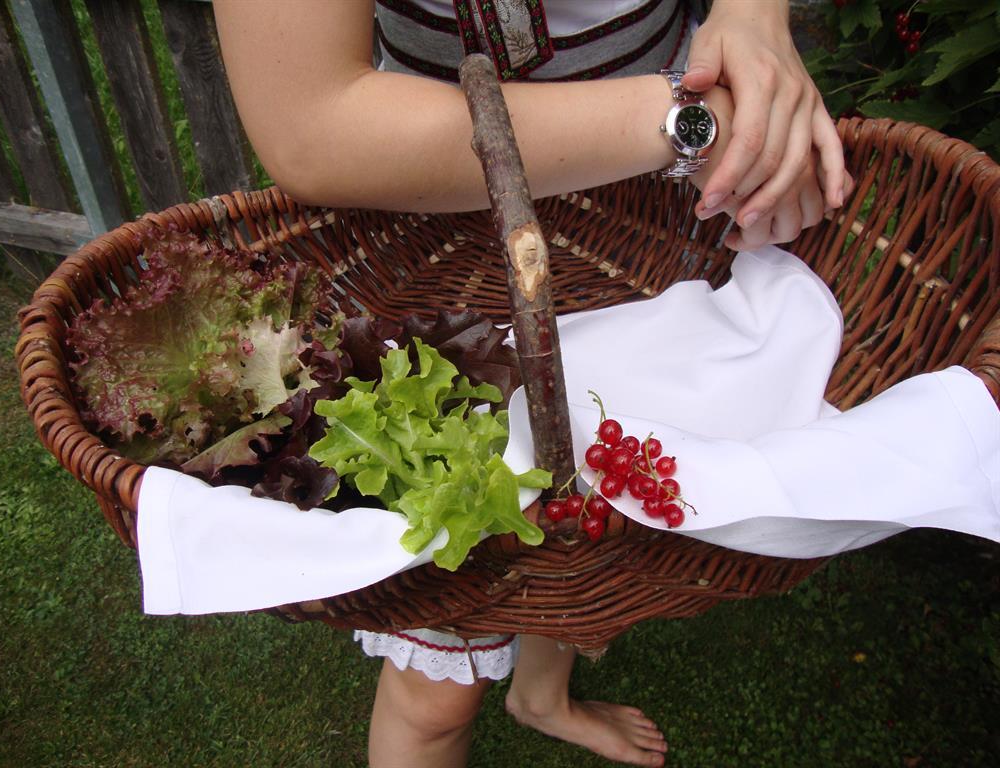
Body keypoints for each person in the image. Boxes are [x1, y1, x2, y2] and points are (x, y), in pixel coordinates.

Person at [213, 1, 852, 766]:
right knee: (437, 691)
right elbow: (310, 125)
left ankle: (542, 694)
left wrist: (752, 17)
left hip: (645, 228)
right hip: (445, 226)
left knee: (580, 512)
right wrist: (688, 121)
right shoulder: (673, 126)